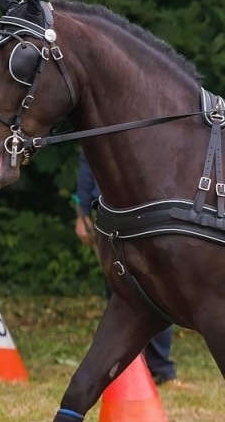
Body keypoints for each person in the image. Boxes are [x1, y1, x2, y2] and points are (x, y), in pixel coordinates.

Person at [73, 150, 179, 385]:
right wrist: (81, 213)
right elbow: (87, 163)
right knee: (119, 292)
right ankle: (127, 366)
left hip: (149, 213)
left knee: (157, 291)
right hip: (108, 215)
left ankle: (161, 367)